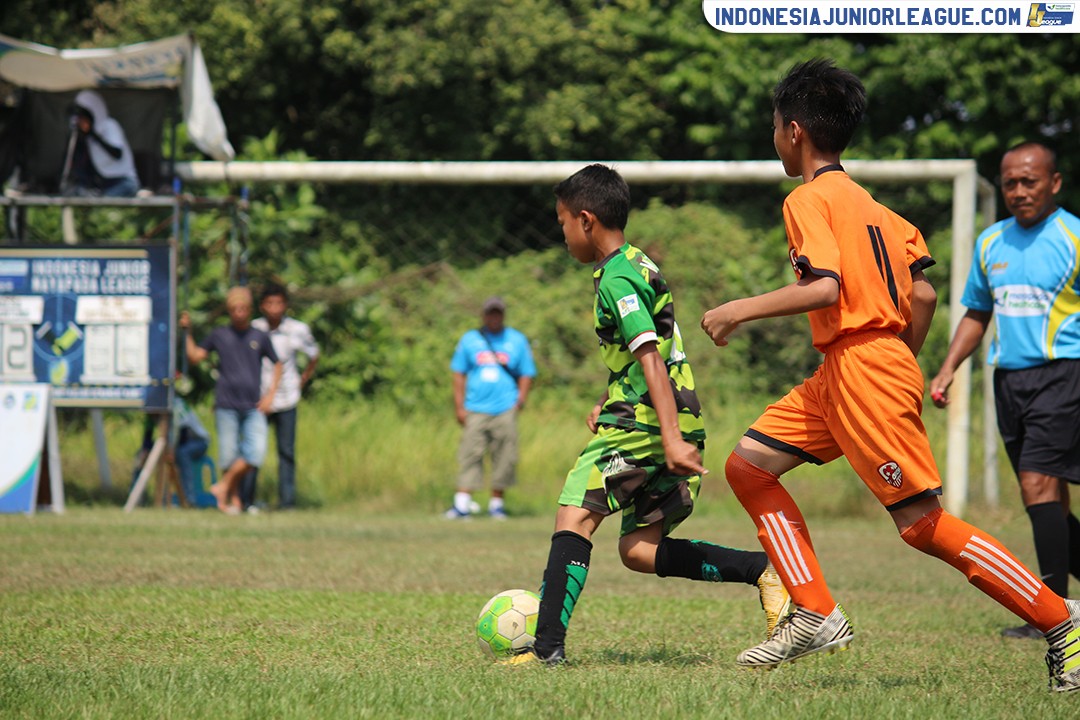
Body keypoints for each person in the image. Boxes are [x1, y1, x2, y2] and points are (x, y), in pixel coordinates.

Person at [700, 59, 1080, 691]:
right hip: (848, 367)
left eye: (773, 127)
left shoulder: (807, 199)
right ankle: (815, 610)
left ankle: (1060, 621)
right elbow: (924, 296)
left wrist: (740, 309)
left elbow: (825, 289)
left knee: (922, 523)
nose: (774, 139)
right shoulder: (878, 210)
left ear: (794, 131)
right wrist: (900, 352)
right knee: (748, 465)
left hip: (861, 366)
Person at [507, 164, 790, 667]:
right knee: (638, 549)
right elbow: (649, 354)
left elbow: (650, 359)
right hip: (667, 418)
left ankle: (546, 649)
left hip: (645, 428)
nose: (563, 232)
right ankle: (763, 571)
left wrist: (667, 435)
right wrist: (611, 397)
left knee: (574, 514)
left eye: (563, 221)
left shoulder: (617, 278)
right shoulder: (639, 264)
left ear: (587, 220)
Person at [929, 142, 1080, 640]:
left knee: (1040, 485)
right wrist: (948, 368)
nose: (1018, 191)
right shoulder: (991, 242)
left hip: (1064, 374)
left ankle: (1051, 613)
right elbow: (977, 312)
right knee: (1046, 500)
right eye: (1010, 182)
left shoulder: (1074, 237)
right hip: (1008, 382)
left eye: (1029, 181)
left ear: (1054, 183)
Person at [180, 286, 282, 515]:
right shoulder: (220, 335)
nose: (239, 312)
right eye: (235, 308)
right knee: (228, 455)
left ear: (249, 309)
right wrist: (187, 333)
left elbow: (278, 363)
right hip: (226, 404)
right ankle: (233, 502)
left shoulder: (259, 335)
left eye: (243, 308)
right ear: (229, 310)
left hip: (254, 405)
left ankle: (223, 486)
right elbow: (195, 357)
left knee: (255, 453)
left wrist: (271, 395)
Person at [446, 296, 536, 519]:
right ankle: (462, 505)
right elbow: (458, 373)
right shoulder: (470, 340)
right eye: (490, 313)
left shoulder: (516, 340)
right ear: (484, 315)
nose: (494, 317)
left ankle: (497, 505)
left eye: (498, 313)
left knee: (504, 455)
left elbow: (527, 373)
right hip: (475, 407)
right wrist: (459, 406)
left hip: (505, 407)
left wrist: (520, 401)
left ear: (503, 315)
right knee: (470, 453)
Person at [239, 284, 320, 511]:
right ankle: (246, 500)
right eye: (270, 303)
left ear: (286, 305)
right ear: (262, 306)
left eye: (279, 303)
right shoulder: (254, 328)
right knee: (254, 450)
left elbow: (314, 354)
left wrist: (302, 379)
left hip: (287, 399)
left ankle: (287, 501)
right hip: (258, 399)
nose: (274, 308)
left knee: (286, 451)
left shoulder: (298, 329)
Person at [60, 90, 140, 198]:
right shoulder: (86, 138)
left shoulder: (109, 125)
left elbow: (117, 153)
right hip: (105, 184)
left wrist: (93, 134)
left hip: (125, 182)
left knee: (102, 202)